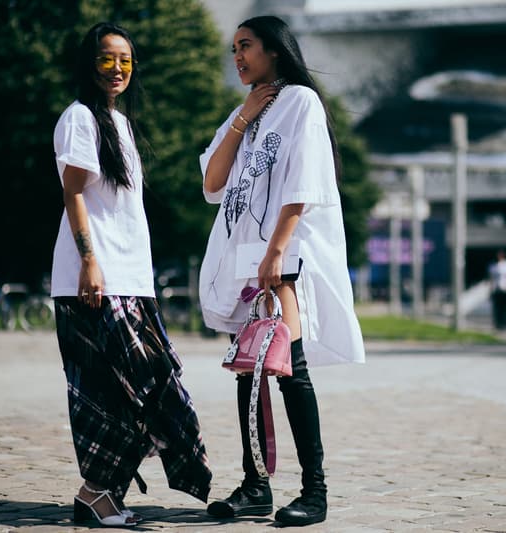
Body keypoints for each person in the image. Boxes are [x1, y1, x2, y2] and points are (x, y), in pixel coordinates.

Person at [198, 15, 365, 527]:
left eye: (246, 46)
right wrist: (243, 117)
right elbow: (212, 180)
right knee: (249, 372)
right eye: (233, 49)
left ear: (275, 50)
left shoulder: (300, 103)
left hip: (281, 259)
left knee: (290, 367)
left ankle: (316, 492)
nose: (238, 57)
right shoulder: (247, 110)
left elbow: (306, 181)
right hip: (246, 261)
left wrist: (277, 251)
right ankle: (255, 486)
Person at [51, 22, 211, 527]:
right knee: (113, 389)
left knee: (146, 387)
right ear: (88, 63)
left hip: (131, 279)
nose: (116, 68)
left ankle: (102, 495)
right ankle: (96, 495)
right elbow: (73, 192)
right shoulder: (80, 118)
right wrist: (90, 262)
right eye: (106, 58)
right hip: (96, 278)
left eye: (125, 60)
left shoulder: (118, 124)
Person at [488, 250, 506, 329]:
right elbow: (491, 279)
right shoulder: (493, 266)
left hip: (504, 288)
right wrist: (490, 289)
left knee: (504, 308)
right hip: (496, 289)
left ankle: (504, 323)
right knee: (497, 308)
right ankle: (497, 323)